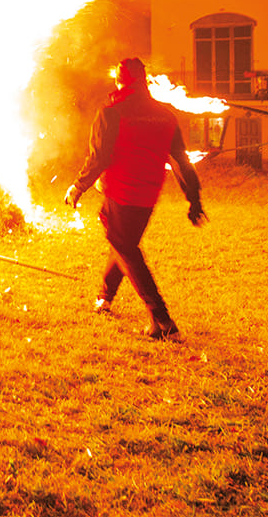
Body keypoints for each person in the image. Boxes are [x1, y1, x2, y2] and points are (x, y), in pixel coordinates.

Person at [63, 58, 206, 341]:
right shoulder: (165, 115)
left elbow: (99, 157)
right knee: (122, 241)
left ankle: (162, 320)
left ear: (120, 81)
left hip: (120, 191)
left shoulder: (112, 111)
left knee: (124, 245)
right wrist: (194, 199)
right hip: (148, 193)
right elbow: (180, 160)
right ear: (144, 80)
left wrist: (78, 187)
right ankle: (105, 296)